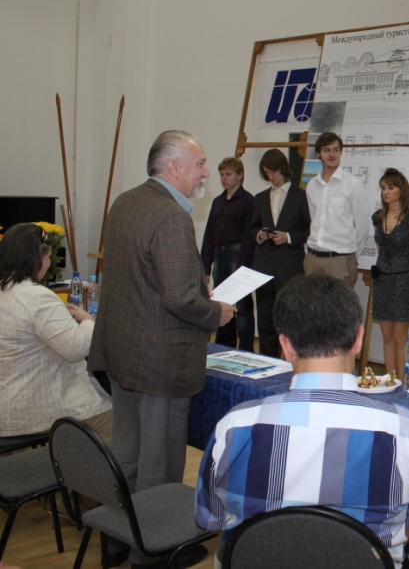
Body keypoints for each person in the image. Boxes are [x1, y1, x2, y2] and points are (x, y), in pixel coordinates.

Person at [196, 274, 409, 569]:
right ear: (358, 339)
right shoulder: (405, 431)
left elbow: (213, 521)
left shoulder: (233, 428)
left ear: (286, 346)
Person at [88, 131, 233, 547]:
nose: (206, 173)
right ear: (173, 167)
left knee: (127, 454)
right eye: (200, 164)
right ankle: (152, 551)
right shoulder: (171, 217)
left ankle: (117, 541)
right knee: (159, 465)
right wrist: (217, 312)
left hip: (124, 353)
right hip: (160, 363)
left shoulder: (126, 202)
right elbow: (180, 298)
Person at [0, 223, 111, 441]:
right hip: (38, 408)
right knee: (121, 425)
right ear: (37, 260)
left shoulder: (6, 291)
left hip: (8, 405)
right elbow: (76, 349)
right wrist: (88, 321)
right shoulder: (37, 298)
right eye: (48, 257)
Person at [250, 148, 310, 359]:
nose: (271, 177)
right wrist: (260, 235)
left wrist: (289, 237)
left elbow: (309, 230)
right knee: (265, 321)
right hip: (264, 266)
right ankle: (266, 361)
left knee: (290, 319)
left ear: (283, 169)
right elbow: (252, 228)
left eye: (273, 172)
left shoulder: (301, 196)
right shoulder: (260, 198)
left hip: (290, 266)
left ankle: (291, 363)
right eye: (266, 173)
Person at [372, 168, 409, 381]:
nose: (386, 192)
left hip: (404, 280)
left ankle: (402, 383)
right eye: (383, 188)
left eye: (391, 187)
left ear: (401, 190)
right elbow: (380, 249)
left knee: (399, 337)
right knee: (386, 335)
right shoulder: (378, 217)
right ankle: (390, 380)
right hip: (382, 280)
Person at [200, 157, 256, 351]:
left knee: (242, 306)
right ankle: (224, 347)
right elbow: (209, 234)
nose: (224, 178)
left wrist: (242, 266)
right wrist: (205, 266)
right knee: (221, 302)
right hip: (220, 253)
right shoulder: (218, 201)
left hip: (237, 252)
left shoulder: (248, 201)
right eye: (222, 174)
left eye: (228, 174)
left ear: (240, 175)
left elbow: (248, 237)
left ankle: (246, 349)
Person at [304, 132, 371, 287]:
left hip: (340, 260)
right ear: (318, 153)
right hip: (313, 259)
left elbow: (362, 226)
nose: (332, 154)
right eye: (326, 150)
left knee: (340, 303)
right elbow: (313, 220)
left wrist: (353, 255)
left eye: (336, 150)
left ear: (341, 152)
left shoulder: (353, 184)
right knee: (311, 303)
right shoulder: (312, 185)